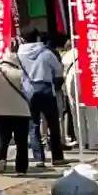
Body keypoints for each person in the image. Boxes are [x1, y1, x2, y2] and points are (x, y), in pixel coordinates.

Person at [18, 26, 66, 165]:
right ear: (38, 37)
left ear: (22, 39)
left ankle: (39, 158)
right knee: (53, 123)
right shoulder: (46, 53)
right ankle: (57, 157)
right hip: (46, 89)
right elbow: (59, 70)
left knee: (33, 125)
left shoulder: (19, 54)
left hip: (28, 90)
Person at [0, 53, 32, 176]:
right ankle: (21, 168)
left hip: (0, 111)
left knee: (2, 138)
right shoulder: (20, 74)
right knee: (21, 141)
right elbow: (29, 91)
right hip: (21, 112)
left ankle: (1, 159)